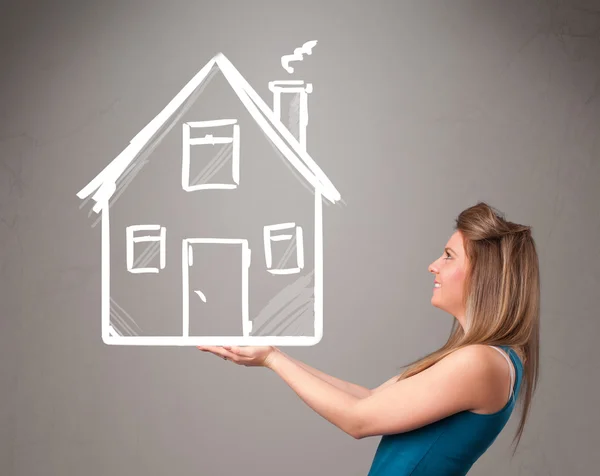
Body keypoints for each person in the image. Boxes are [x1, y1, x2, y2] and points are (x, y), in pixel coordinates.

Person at [198, 201, 540, 475]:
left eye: (449, 256)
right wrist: (272, 356)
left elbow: (358, 419)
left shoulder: (480, 362)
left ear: (485, 274)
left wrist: (272, 359)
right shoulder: (487, 358)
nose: (433, 266)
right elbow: (370, 398)